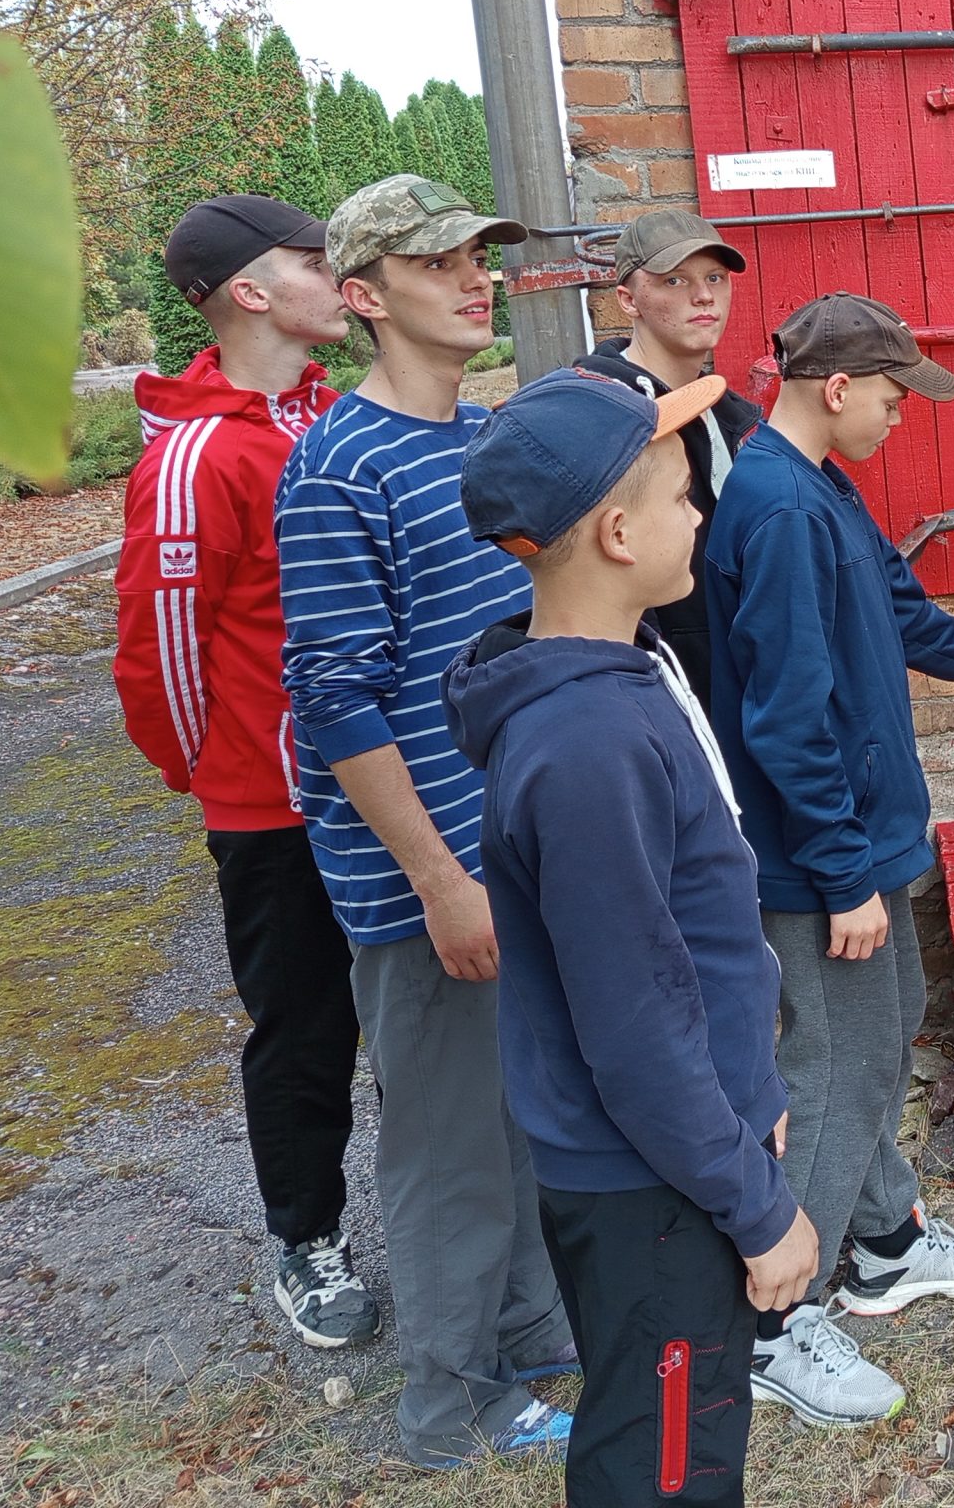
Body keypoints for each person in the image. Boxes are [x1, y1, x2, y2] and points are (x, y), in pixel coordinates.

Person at [444, 367, 821, 1506]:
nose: (701, 513)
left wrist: (751, 1098)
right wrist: (755, 1205)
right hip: (651, 1186)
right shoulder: (586, 745)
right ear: (616, 534)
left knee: (689, 1424)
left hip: (681, 1154)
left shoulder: (623, 677)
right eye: (678, 497)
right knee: (660, 1459)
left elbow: (691, 950)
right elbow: (636, 1022)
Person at [276, 175, 576, 1466]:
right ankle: (448, 1406)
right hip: (427, 877)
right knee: (449, 1140)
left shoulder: (477, 439)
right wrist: (440, 879)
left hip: (506, 847)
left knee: (516, 1110)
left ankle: (528, 1337)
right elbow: (335, 702)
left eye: (481, 256)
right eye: (438, 259)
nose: (476, 277)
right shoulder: (337, 464)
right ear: (362, 296)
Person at [703, 293, 954, 1426]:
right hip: (816, 861)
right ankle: (770, 1315)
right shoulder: (778, 510)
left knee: (885, 1029)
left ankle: (885, 1241)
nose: (904, 417)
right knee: (831, 1066)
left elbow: (897, 610)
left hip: (866, 836)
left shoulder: (823, 489)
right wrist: (843, 874)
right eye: (894, 397)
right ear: (835, 387)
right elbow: (788, 721)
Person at [112, 195, 380, 1350]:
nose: (340, 275)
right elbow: (159, 655)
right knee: (305, 1025)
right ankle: (306, 1238)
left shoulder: (330, 417)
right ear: (251, 292)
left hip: (381, 783)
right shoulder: (196, 458)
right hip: (274, 807)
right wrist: (221, 777)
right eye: (315, 260)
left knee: (419, 1010)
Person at [575, 208, 764, 707]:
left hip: (739, 683)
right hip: (658, 690)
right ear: (627, 299)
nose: (703, 296)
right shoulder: (601, 414)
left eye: (715, 278)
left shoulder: (731, 412)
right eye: (675, 279)